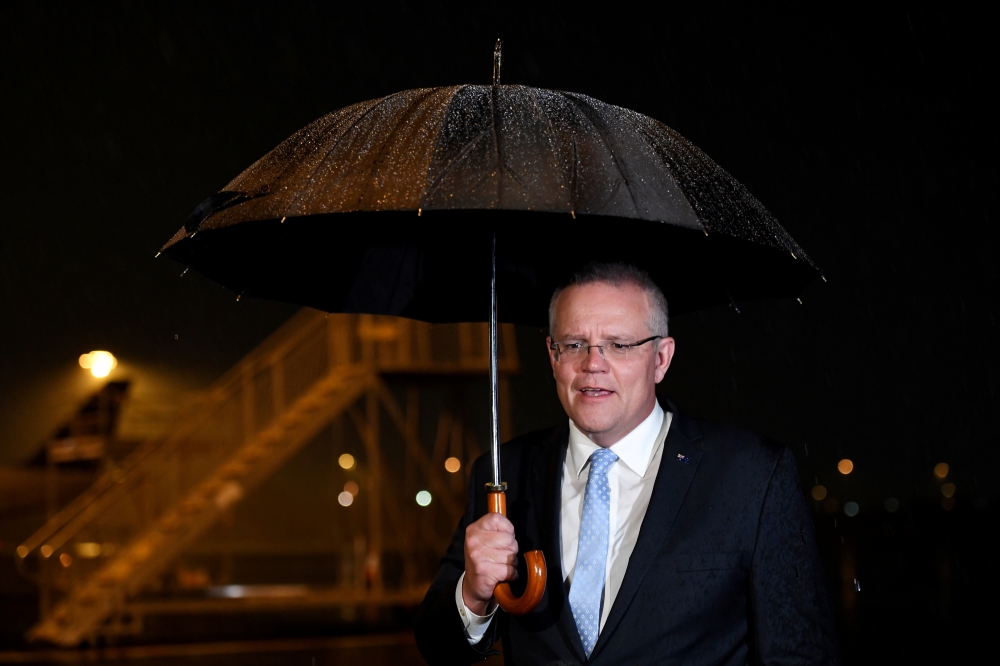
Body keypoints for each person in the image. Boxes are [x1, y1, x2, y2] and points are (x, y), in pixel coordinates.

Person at [414, 262, 838, 665]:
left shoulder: (752, 474)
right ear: (552, 356)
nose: (592, 364)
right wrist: (473, 595)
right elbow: (437, 647)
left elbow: (798, 654)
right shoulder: (504, 472)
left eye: (618, 345)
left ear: (661, 358)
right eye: (574, 344)